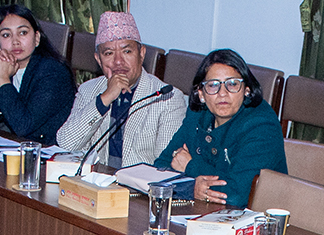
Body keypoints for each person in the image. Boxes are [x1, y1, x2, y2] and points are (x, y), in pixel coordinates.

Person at [56, 11, 187, 170]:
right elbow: (66, 145)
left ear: (141, 54)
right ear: (98, 59)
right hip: (95, 185)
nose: (118, 61)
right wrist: (104, 99)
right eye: (109, 53)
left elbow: (166, 167)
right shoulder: (88, 90)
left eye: (127, 51)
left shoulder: (167, 98)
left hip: (139, 190)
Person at [159, 49, 284, 209]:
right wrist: (191, 187)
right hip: (201, 212)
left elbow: (237, 195)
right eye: (213, 85)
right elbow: (162, 165)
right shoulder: (197, 114)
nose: (222, 94)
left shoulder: (262, 125)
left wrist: (190, 167)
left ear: (246, 90)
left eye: (232, 84)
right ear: (201, 94)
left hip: (254, 220)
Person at [0, 4, 75, 143]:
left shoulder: (53, 72)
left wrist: (3, 79)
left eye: (23, 33)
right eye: (6, 35)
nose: (15, 41)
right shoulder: (6, 67)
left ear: (36, 38)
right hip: (22, 149)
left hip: (53, 153)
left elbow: (24, 125)